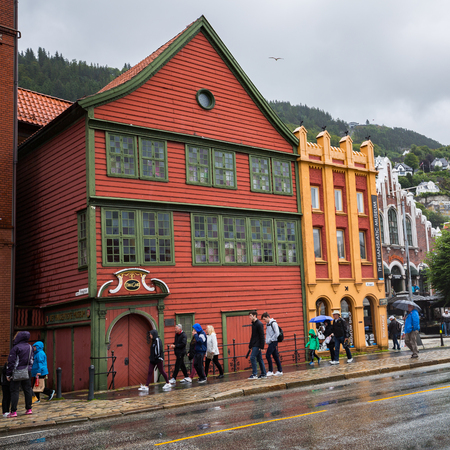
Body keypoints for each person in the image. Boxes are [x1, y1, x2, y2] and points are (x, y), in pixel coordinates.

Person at [6, 331, 34, 418]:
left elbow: (11, 362)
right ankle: (29, 409)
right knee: (27, 390)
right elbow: (31, 360)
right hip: (27, 371)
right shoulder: (30, 347)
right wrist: (29, 368)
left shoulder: (16, 348)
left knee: (15, 391)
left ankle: (14, 411)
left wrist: (8, 374)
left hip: (17, 371)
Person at [248, 310, 266, 379]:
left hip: (258, 344)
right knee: (259, 359)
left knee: (252, 357)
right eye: (249, 316)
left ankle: (255, 374)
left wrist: (262, 346)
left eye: (250, 316)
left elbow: (262, 335)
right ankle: (264, 373)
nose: (249, 317)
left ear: (254, 316)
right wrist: (250, 345)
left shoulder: (259, 324)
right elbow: (253, 335)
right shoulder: (254, 324)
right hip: (255, 344)